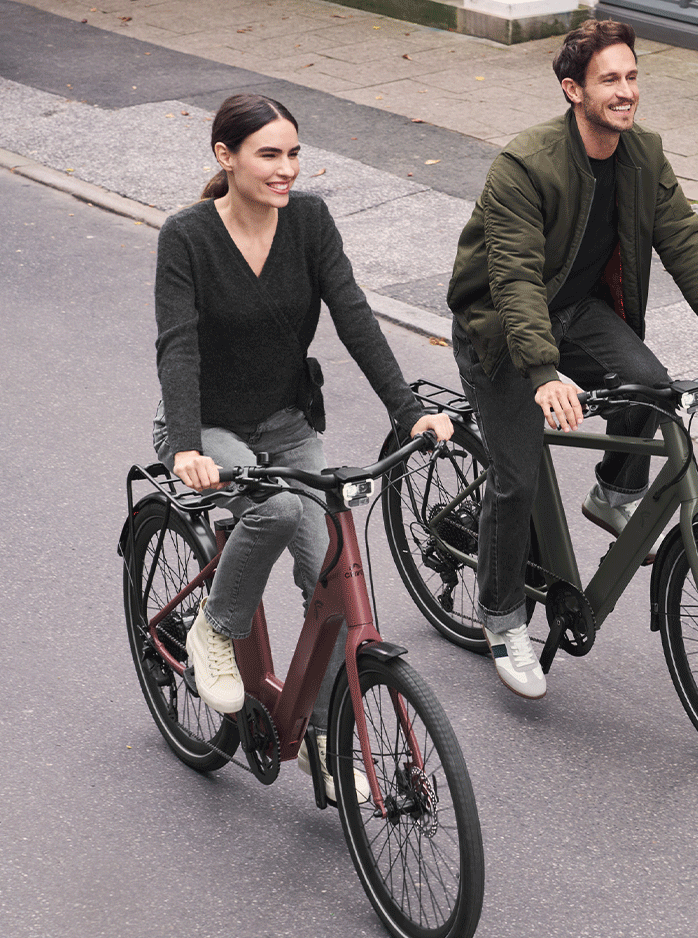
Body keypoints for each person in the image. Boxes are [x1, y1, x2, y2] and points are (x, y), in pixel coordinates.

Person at [445, 20, 698, 700]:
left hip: (577, 314)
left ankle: (613, 492)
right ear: (573, 90)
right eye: (609, 80)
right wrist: (541, 373)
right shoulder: (525, 164)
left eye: (631, 77)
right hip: (502, 330)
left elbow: (682, 238)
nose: (625, 92)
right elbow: (510, 280)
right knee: (516, 482)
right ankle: (502, 616)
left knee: (651, 387)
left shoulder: (642, 156)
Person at [152, 93, 452, 801]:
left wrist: (408, 411)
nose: (285, 169)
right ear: (225, 158)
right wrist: (189, 447)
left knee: (333, 578)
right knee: (279, 510)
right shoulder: (188, 236)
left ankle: (319, 737)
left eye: (292, 153)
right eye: (268, 154)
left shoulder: (309, 221)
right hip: (206, 426)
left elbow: (353, 315)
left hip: (286, 422)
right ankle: (213, 630)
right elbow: (178, 346)